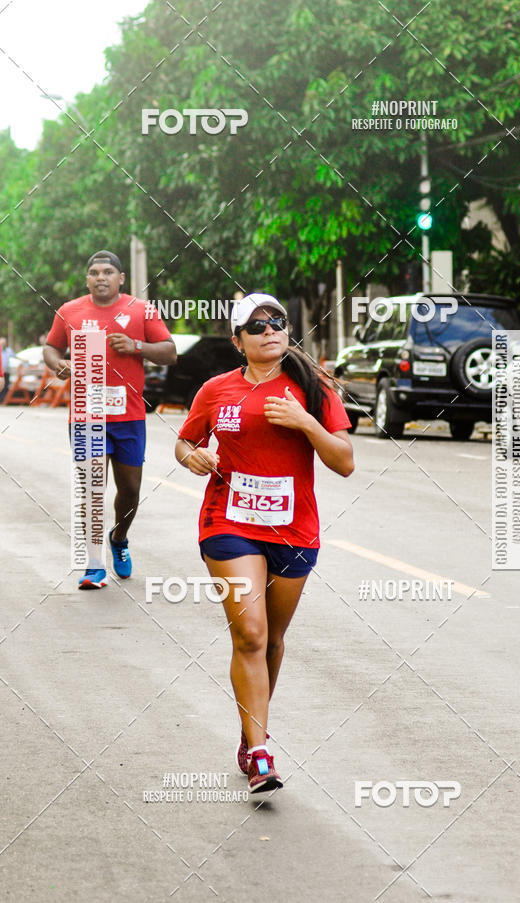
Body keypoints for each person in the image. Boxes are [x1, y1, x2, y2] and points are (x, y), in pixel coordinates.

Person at [175, 293, 354, 793]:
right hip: (227, 525)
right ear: (238, 341)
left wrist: (305, 421)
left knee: (272, 640)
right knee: (250, 634)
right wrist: (192, 457)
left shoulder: (312, 387)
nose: (270, 329)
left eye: (277, 321)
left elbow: (344, 461)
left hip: (295, 532)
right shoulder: (216, 390)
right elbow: (185, 441)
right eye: (256, 326)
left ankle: (249, 729)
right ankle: (259, 754)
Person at [44, 250, 176, 589]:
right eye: (94, 272)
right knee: (92, 488)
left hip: (128, 417)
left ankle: (119, 537)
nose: (100, 277)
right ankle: (94, 564)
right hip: (87, 415)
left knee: (129, 489)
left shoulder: (141, 310)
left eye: (107, 272)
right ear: (87, 279)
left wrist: (136, 345)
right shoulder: (70, 311)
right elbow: (51, 348)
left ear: (121, 279)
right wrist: (59, 365)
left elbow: (169, 351)